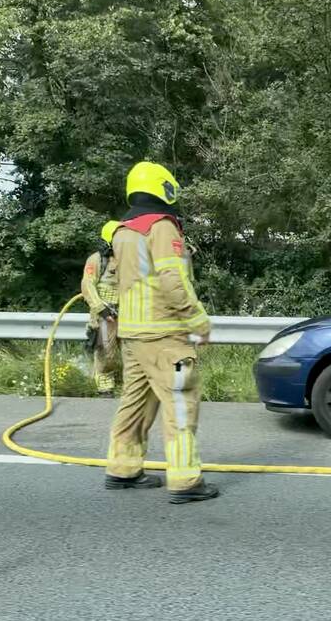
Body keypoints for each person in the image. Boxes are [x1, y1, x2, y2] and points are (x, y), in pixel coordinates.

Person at [103, 161, 219, 503]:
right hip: (166, 337)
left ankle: (123, 469)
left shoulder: (122, 231)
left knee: (134, 403)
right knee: (181, 401)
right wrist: (198, 321)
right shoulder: (162, 226)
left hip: (134, 337)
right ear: (164, 187)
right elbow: (173, 280)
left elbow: (112, 281)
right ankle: (185, 481)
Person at [82, 221, 121, 398]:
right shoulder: (97, 260)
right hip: (106, 315)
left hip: (128, 313)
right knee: (106, 352)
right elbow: (87, 285)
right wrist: (101, 309)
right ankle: (105, 386)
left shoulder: (131, 260)